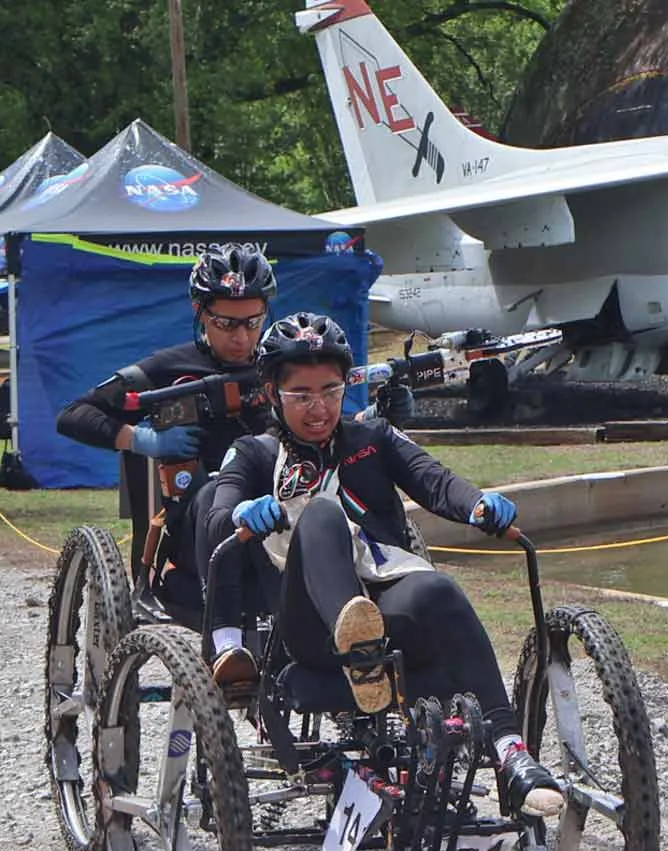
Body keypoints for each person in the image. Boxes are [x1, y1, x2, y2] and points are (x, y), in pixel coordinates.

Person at [199, 312, 562, 816]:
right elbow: (217, 517)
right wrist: (241, 512)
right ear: (271, 394)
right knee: (321, 514)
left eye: (330, 391)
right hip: (309, 630)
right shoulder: (253, 454)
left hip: (385, 601)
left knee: (436, 589)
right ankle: (358, 644)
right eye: (301, 395)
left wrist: (478, 504)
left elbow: (435, 481)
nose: (318, 408)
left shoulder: (374, 438)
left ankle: (510, 751)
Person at [56, 247, 278, 581]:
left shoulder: (281, 363)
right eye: (225, 324)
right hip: (197, 518)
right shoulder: (168, 367)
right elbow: (73, 415)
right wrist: (141, 440)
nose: (241, 337)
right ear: (200, 311)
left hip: (274, 504)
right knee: (212, 498)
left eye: (253, 322)